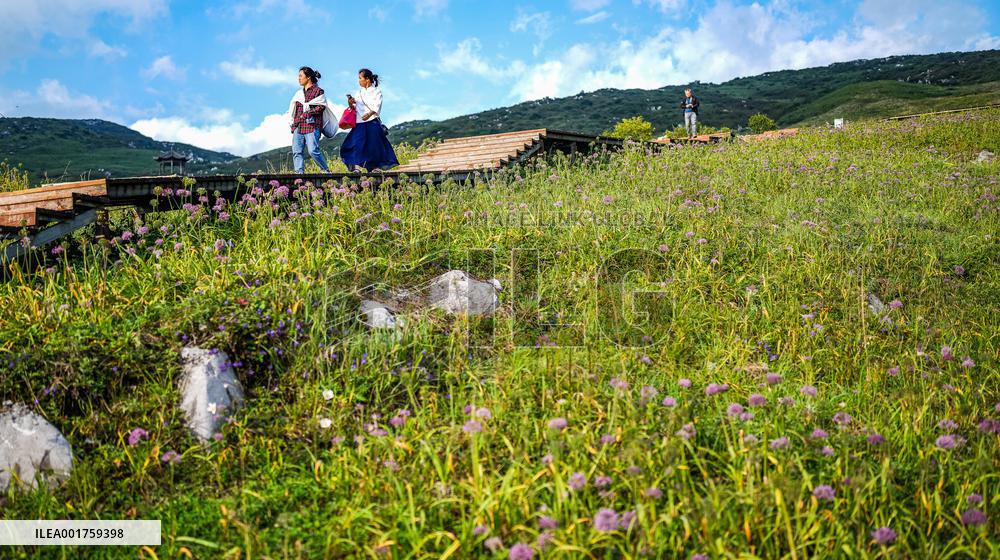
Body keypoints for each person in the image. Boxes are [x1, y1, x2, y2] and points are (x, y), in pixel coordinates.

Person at [340, 68, 399, 172]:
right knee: (355, 144)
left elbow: (377, 104)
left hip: (372, 121)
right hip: (359, 122)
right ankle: (356, 168)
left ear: (367, 79)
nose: (359, 81)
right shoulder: (359, 93)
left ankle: (375, 167)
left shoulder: (376, 91)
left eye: (360, 78)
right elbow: (354, 107)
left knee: (373, 145)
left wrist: (370, 113)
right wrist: (350, 102)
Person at [289, 66, 330, 173]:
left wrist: (307, 113)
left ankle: (325, 170)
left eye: (300, 76)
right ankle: (299, 174)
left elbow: (321, 106)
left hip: (312, 125)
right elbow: (294, 110)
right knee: (297, 152)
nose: (299, 78)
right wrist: (293, 124)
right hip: (299, 125)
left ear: (308, 77)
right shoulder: (299, 94)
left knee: (312, 150)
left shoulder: (318, 91)